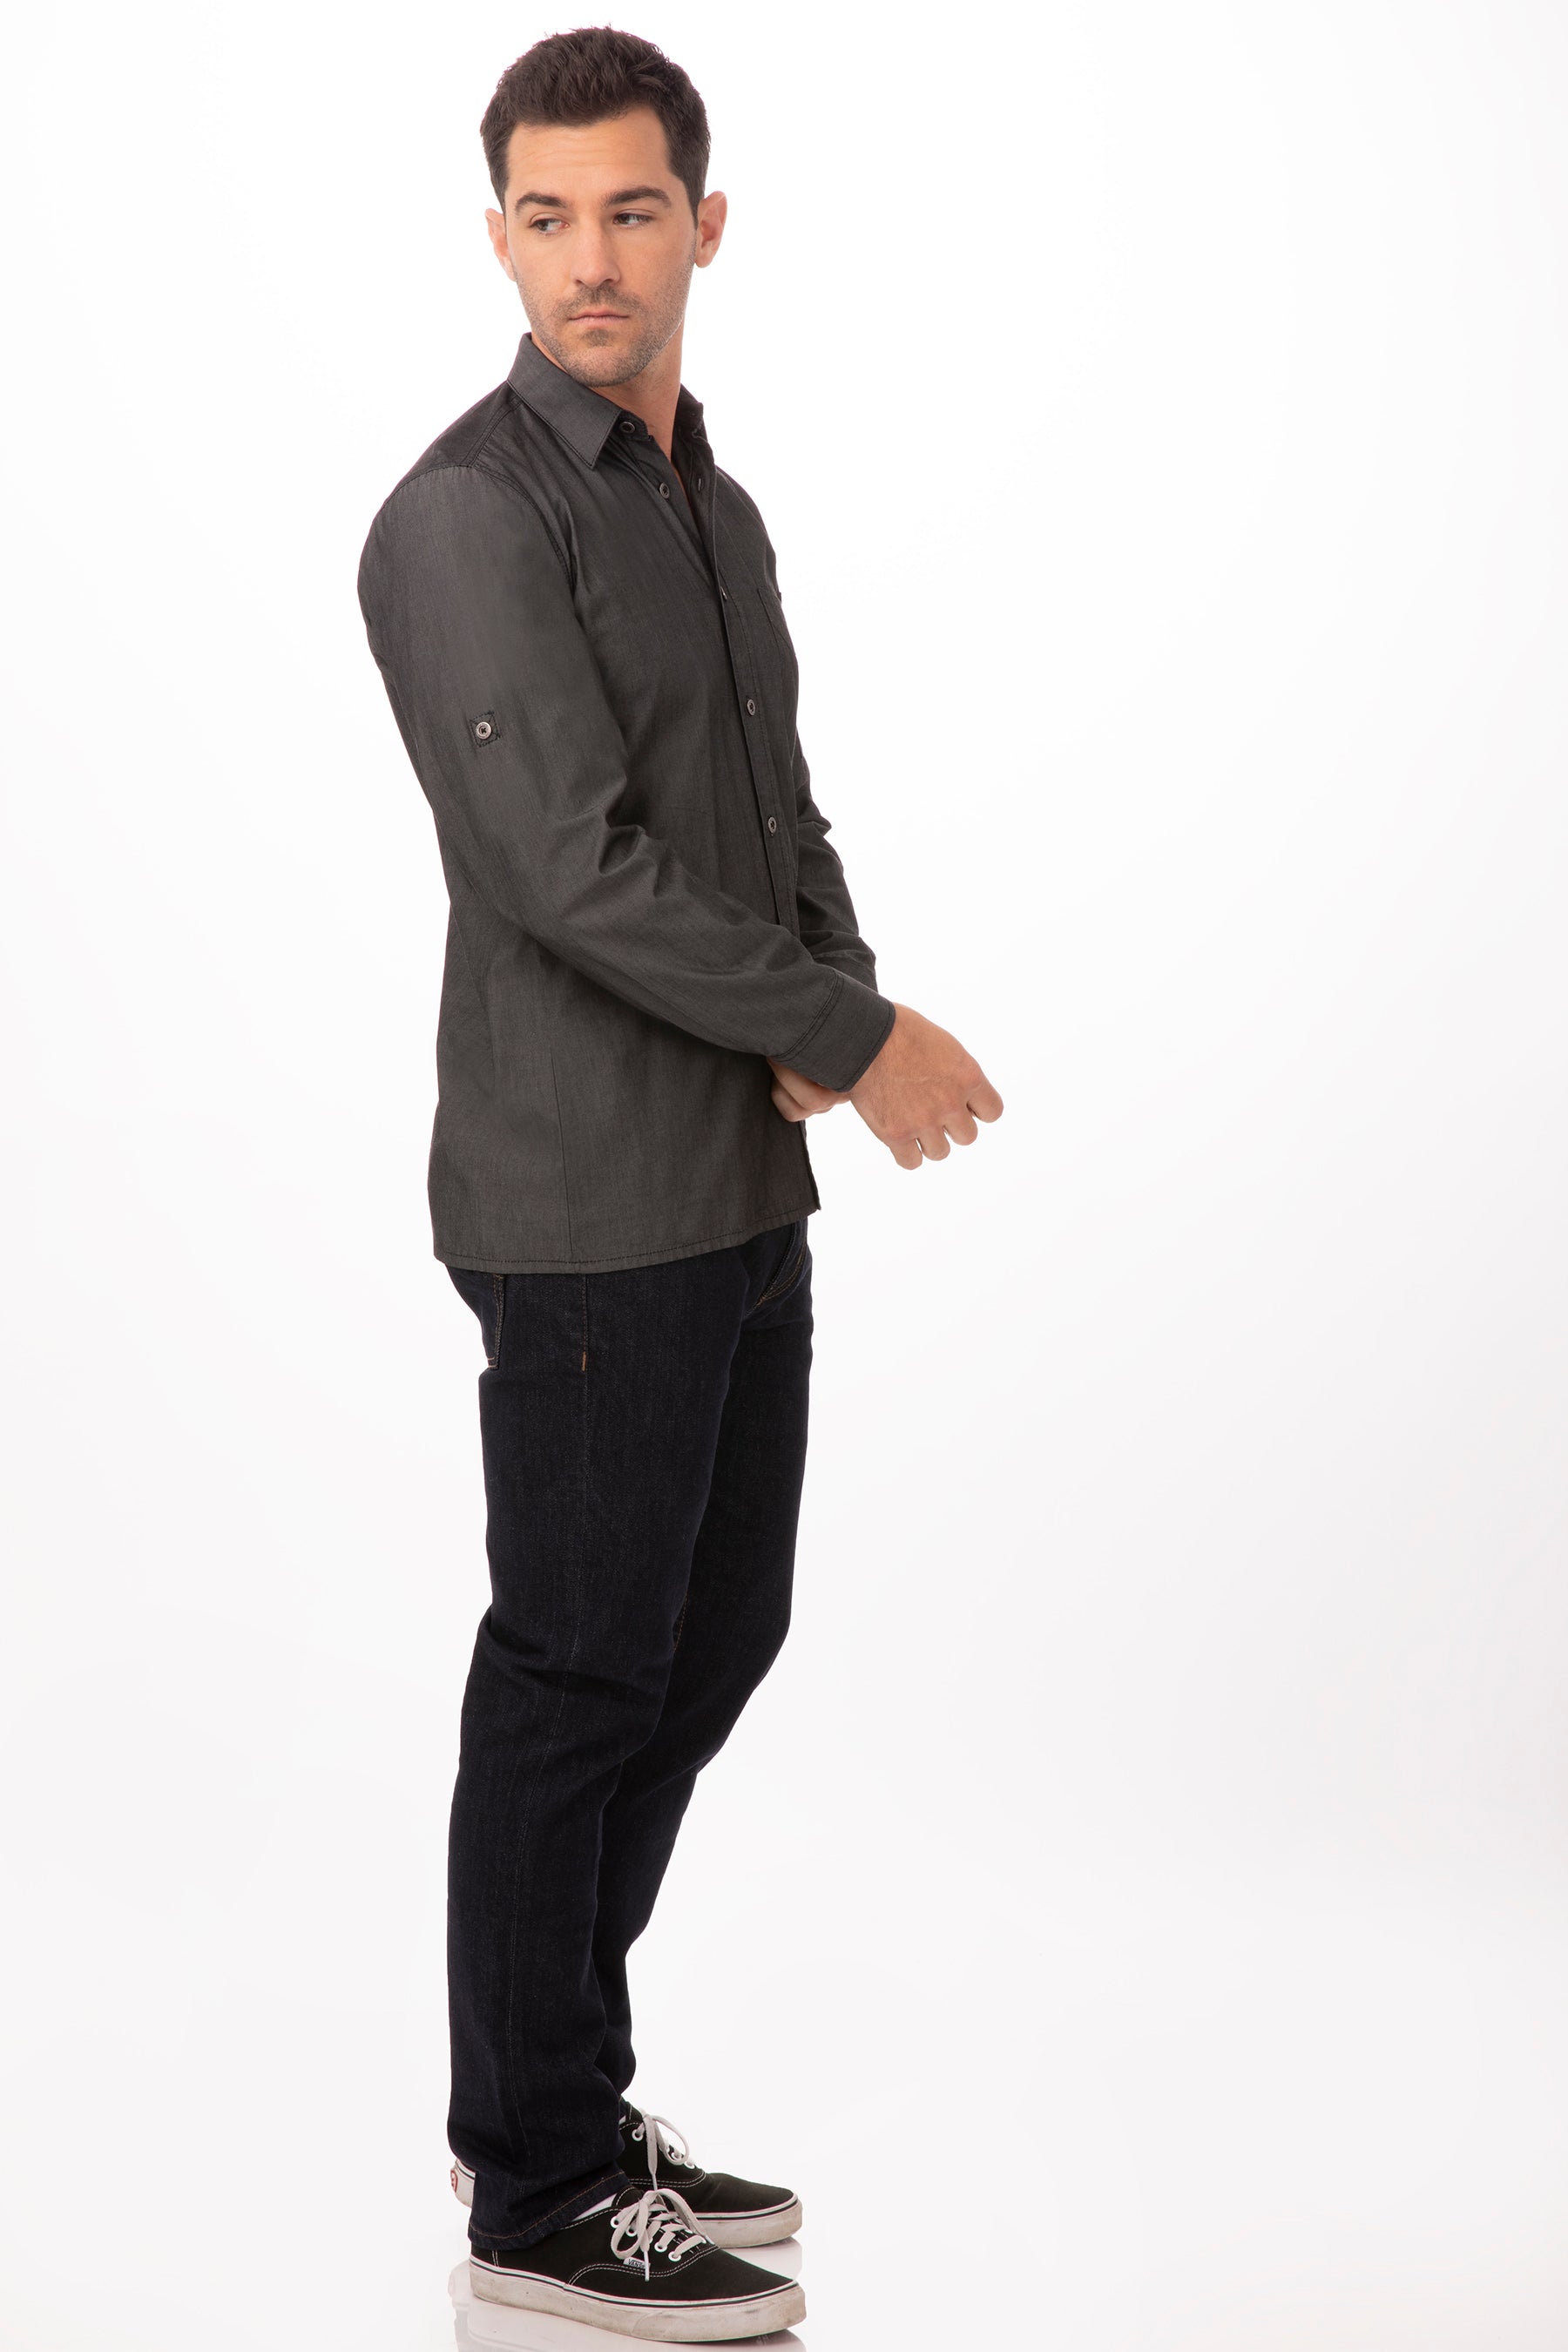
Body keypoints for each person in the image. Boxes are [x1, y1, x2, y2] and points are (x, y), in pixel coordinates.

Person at [357, 28, 1002, 2338]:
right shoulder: (465, 519)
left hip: (737, 1182)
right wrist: (850, 1032)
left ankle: (559, 2091)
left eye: (632, 210)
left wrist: (836, 993)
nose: (591, 260)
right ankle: (535, 2177)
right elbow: (568, 868)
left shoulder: (709, 510)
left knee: (712, 1638)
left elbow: (770, 801)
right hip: (582, 1203)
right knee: (576, 1667)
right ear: (497, 236)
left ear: (704, 225)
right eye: (546, 217)